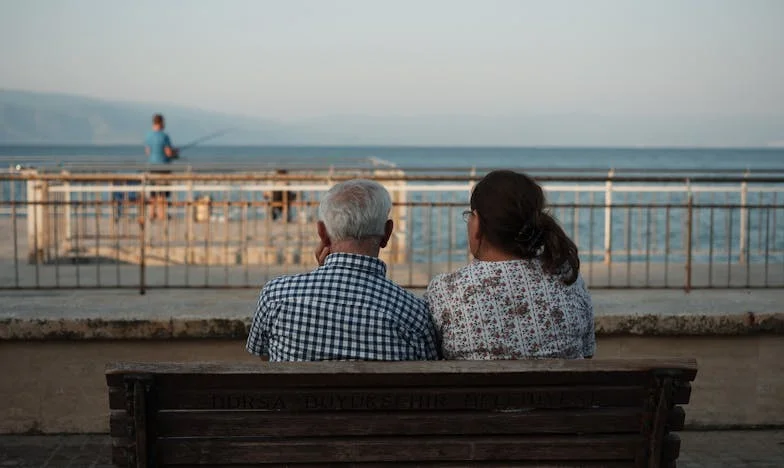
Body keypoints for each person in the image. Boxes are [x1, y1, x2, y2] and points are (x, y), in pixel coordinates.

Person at [246, 179, 440, 361]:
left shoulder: (276, 295)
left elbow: (264, 355)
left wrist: (322, 274)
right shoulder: (413, 313)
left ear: (322, 233)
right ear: (387, 233)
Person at [426, 170, 595, 360]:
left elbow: (430, 360)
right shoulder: (568, 279)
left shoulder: (445, 291)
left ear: (477, 224)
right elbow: (587, 354)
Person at [144, 114, 178, 220]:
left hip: (152, 167)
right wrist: (174, 153)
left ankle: (151, 214)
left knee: (153, 193)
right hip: (163, 167)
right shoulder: (164, 136)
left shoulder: (148, 136)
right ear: (162, 123)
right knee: (162, 193)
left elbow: (148, 152)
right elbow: (168, 153)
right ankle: (161, 215)